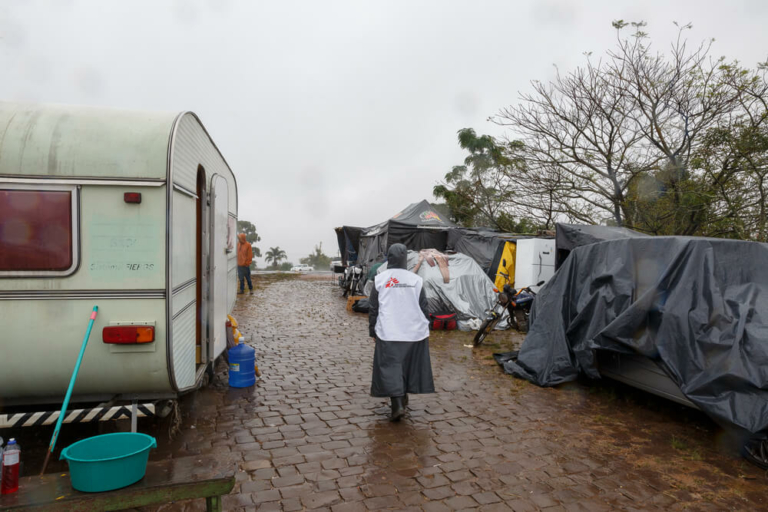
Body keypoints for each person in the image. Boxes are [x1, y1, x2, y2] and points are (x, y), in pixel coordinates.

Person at [368, 243, 435, 421]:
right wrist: (426, 326)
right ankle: (402, 397)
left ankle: (397, 404)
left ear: (389, 257)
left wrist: (373, 331)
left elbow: (373, 308)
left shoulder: (380, 279)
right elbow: (424, 307)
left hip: (388, 331)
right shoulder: (415, 279)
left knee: (391, 367)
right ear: (405, 258)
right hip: (414, 332)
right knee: (407, 366)